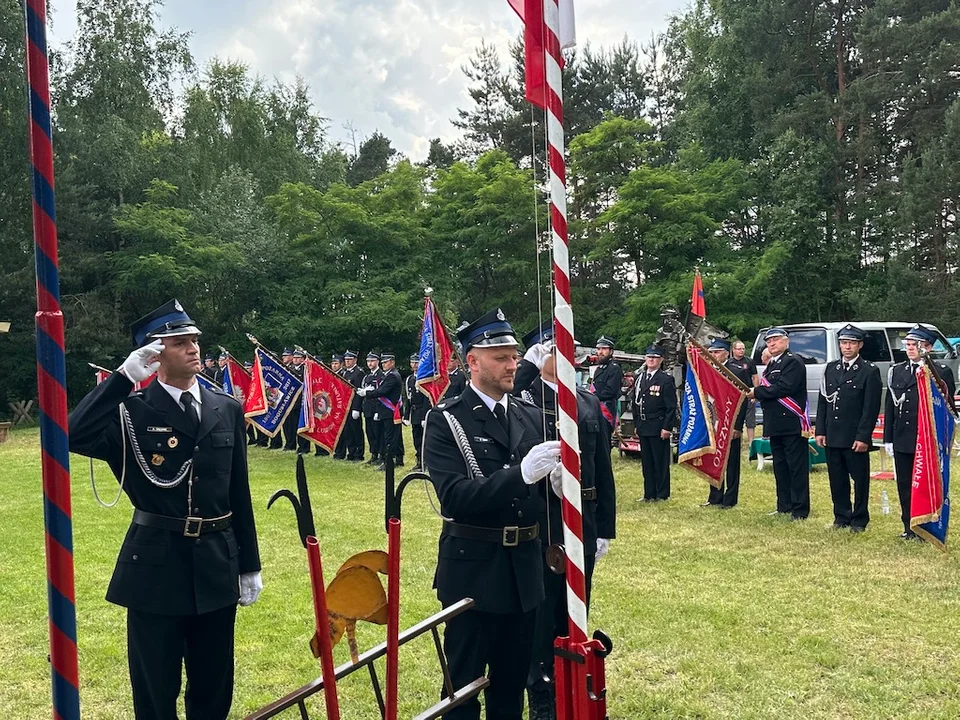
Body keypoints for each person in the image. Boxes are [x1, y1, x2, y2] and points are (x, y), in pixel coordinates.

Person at [68, 299, 262, 720]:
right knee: (156, 688)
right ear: (154, 355)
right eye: (180, 342)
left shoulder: (224, 408)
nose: (194, 348)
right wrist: (121, 380)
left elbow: (238, 493)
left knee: (213, 685)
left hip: (215, 561)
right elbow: (74, 433)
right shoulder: (130, 411)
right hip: (156, 566)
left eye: (194, 340)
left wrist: (249, 564)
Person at [423, 308, 559, 720]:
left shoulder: (529, 415)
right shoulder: (446, 420)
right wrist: (522, 475)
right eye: (500, 356)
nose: (512, 364)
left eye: (515, 355)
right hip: (474, 573)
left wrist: (556, 489)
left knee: (511, 687)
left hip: (523, 571)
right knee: (462, 691)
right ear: (472, 361)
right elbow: (456, 497)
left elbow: (539, 498)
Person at [514, 323, 616, 720]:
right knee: (543, 610)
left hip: (584, 518)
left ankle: (572, 677)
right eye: (556, 349)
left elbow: (603, 469)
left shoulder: (585, 401)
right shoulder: (526, 399)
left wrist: (605, 527)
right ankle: (540, 689)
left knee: (577, 604)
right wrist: (527, 368)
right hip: (547, 521)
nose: (568, 356)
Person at [884, 325, 957, 540]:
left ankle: (927, 527)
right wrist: (888, 437)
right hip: (903, 436)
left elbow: (947, 408)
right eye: (907, 344)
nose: (909, 348)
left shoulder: (940, 372)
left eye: (915, 345)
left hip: (926, 438)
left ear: (928, 347)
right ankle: (909, 526)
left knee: (924, 484)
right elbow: (890, 406)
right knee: (905, 484)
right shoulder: (896, 370)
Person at [814, 325, 882, 533]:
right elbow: (823, 401)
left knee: (860, 480)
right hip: (833, 434)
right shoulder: (831, 368)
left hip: (854, 436)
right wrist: (820, 430)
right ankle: (841, 516)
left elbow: (870, 408)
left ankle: (859, 519)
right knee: (837, 478)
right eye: (844, 343)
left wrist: (863, 436)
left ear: (860, 345)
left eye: (852, 343)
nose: (847, 347)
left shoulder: (869, 370)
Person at [748, 327, 810, 520]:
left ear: (786, 341)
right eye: (769, 341)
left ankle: (800, 509)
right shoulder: (771, 364)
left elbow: (785, 387)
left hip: (791, 423)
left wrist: (757, 393)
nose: (772, 344)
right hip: (775, 424)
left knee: (796, 467)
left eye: (776, 340)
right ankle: (784, 505)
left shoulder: (793, 362)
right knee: (780, 466)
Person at [702, 339, 750, 509]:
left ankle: (730, 499)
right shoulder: (709, 371)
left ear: (726, 353)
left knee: (731, 462)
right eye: (712, 352)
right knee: (715, 458)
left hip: (730, 421)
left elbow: (743, 399)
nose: (713, 355)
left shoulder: (735, 370)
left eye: (717, 352)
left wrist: (737, 426)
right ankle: (715, 496)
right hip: (714, 421)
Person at [633, 345, 677, 501]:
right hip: (644, 425)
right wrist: (636, 424)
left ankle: (662, 493)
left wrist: (667, 427)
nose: (651, 360)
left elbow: (671, 406)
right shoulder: (640, 378)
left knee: (660, 461)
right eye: (649, 357)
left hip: (658, 425)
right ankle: (648, 493)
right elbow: (635, 403)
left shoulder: (665, 379)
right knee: (647, 462)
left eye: (655, 357)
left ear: (661, 360)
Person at [359, 351, 403, 470]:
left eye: (386, 362)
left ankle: (389, 461)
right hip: (386, 411)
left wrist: (366, 393)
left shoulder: (392, 376)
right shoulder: (389, 374)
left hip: (390, 411)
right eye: (383, 362)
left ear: (392, 362)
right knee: (391, 436)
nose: (384, 364)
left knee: (390, 437)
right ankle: (396, 459)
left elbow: (382, 392)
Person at [591, 335, 623, 434]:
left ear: (611, 351)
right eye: (599, 349)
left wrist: (592, 397)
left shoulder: (614, 368)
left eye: (604, 349)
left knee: (604, 443)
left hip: (606, 411)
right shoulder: (599, 368)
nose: (600, 352)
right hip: (595, 409)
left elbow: (611, 391)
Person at [729, 341, 759, 443]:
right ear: (733, 350)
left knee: (750, 418)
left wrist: (756, 392)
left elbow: (755, 377)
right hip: (734, 394)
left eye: (743, 349)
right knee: (736, 419)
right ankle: (737, 440)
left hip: (748, 393)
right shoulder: (729, 363)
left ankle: (751, 442)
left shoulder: (749, 361)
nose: (742, 351)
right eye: (739, 349)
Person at [404, 353, 429, 470]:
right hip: (414, 412)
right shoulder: (410, 379)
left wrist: (424, 416)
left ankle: (425, 461)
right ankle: (419, 460)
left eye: (416, 362)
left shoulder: (425, 378)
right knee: (416, 437)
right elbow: (408, 398)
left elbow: (426, 398)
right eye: (412, 362)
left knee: (425, 438)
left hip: (422, 411)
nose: (414, 365)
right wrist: (406, 415)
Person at [341, 350, 366, 461]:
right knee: (347, 430)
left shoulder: (359, 372)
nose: (347, 362)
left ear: (355, 360)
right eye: (346, 360)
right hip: (346, 406)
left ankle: (359, 453)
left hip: (354, 406)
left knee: (356, 431)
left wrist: (356, 408)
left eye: (350, 360)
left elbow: (359, 392)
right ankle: (351, 452)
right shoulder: (345, 373)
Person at [362, 351, 384, 465]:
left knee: (378, 433)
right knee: (370, 432)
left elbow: (381, 394)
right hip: (368, 408)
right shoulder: (367, 377)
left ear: (377, 362)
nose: (370, 363)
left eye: (372, 361)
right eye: (368, 361)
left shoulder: (381, 375)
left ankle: (381, 454)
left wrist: (378, 411)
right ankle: (373, 453)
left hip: (377, 407)